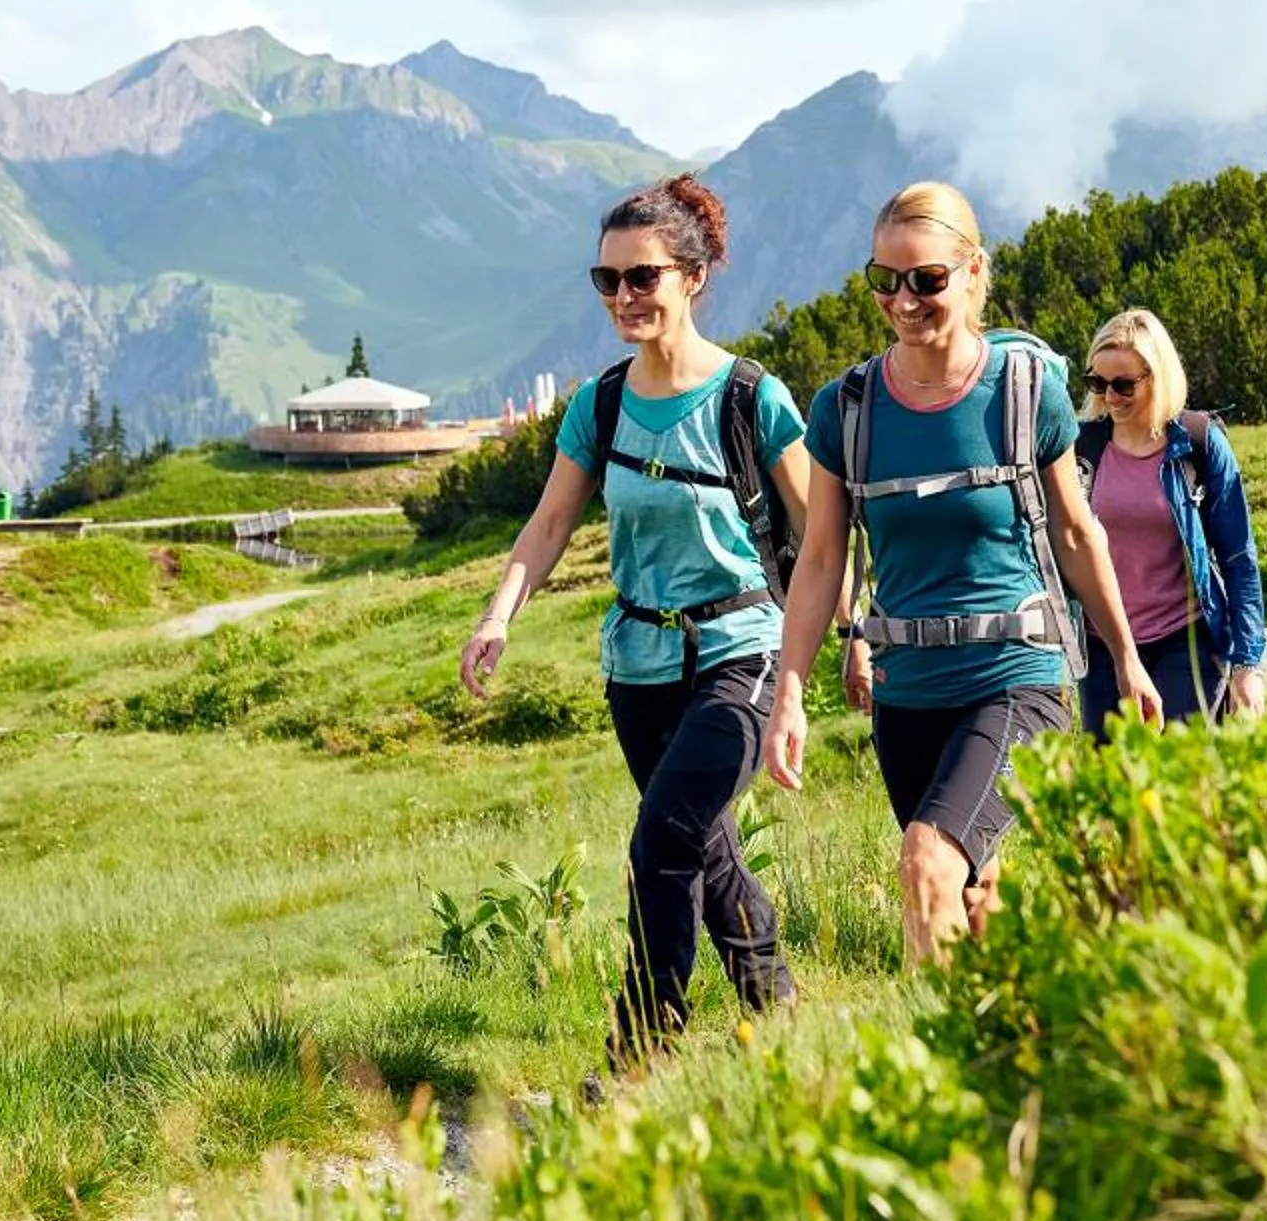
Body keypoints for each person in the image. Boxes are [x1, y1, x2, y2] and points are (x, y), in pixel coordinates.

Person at [761, 181, 1163, 966]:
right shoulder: (845, 410)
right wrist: (789, 691)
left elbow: (1079, 535)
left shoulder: (1023, 391)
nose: (904, 301)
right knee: (975, 893)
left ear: (973, 272)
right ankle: (1018, 1061)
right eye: (886, 280)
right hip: (907, 692)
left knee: (928, 863)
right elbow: (818, 561)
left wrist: (1125, 657)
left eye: (927, 280)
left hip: (1016, 674)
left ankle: (930, 1075)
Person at [460, 173, 806, 1064]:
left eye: (642, 277)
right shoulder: (600, 404)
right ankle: (777, 1013)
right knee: (707, 845)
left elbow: (823, 530)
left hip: (742, 649)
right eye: (606, 280)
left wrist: (835, 651)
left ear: (692, 277)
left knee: (663, 839)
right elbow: (547, 524)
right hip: (638, 667)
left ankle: (639, 1053)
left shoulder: (751, 398)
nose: (623, 296)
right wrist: (500, 615)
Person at [1071, 307, 1267, 734]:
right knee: (1112, 788)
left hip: (1187, 640)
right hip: (1102, 644)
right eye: (1098, 383)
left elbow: (1238, 557)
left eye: (1124, 384)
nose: (1110, 397)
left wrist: (1247, 665)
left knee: (1177, 779)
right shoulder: (1081, 449)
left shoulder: (1198, 443)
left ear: (1156, 377)